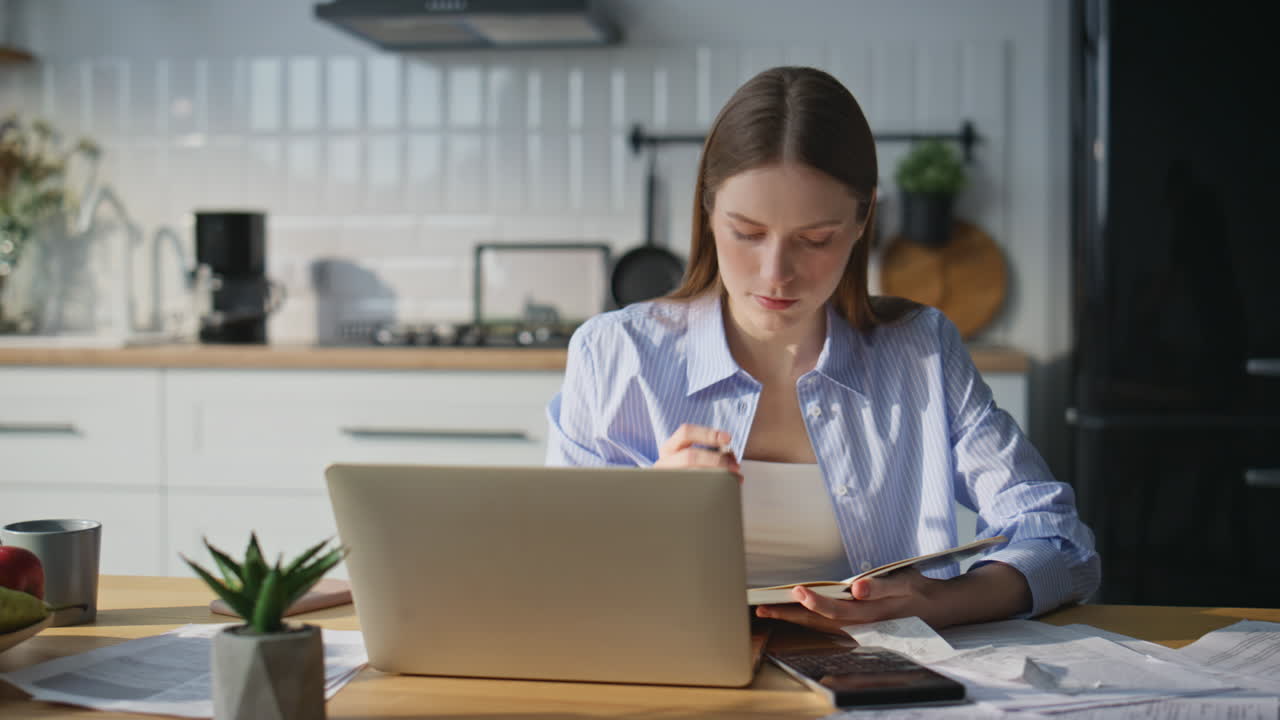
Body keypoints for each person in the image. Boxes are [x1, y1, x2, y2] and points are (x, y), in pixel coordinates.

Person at [546, 66, 1099, 633]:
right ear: (709, 211)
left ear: (862, 220)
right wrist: (645, 511)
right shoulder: (615, 353)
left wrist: (939, 602)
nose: (776, 273)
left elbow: (1058, 540)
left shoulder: (921, 352)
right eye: (747, 233)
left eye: (816, 239)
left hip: (878, 685)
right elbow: (550, 572)